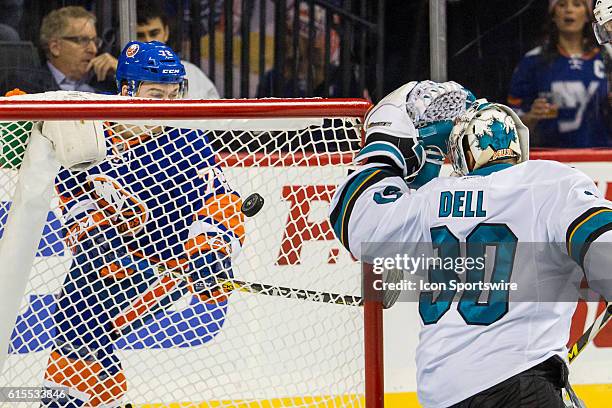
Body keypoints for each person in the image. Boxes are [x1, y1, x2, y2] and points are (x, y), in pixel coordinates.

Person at [329, 81, 611, 407]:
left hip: (444, 396)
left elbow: (353, 217)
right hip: (520, 388)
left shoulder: (430, 201)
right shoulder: (549, 181)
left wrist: (386, 143)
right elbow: (600, 240)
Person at [41, 41, 244, 407]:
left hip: (166, 267)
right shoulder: (91, 132)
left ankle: (65, 402)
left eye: (172, 94)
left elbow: (222, 199)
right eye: (154, 94)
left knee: (80, 313)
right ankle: (104, 399)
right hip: (109, 262)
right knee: (86, 319)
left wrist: (211, 250)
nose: (166, 105)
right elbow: (72, 190)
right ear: (126, 90)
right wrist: (92, 232)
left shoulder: (185, 139)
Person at [507, 0, 611, 147]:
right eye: (562, 5)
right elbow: (508, 125)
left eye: (577, 4)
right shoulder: (533, 61)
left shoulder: (608, 56)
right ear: (553, 15)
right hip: (550, 160)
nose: (569, 10)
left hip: (602, 157)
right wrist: (531, 116)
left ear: (589, 15)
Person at [136, 0, 220, 99]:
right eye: (140, 35)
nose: (148, 41)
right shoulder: (121, 76)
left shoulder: (193, 75)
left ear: (166, 33)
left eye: (154, 33)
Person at [37, 6, 118, 94]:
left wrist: (123, 73)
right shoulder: (29, 87)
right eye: (83, 40)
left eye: (95, 42)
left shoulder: (108, 83)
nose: (93, 50)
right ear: (55, 47)